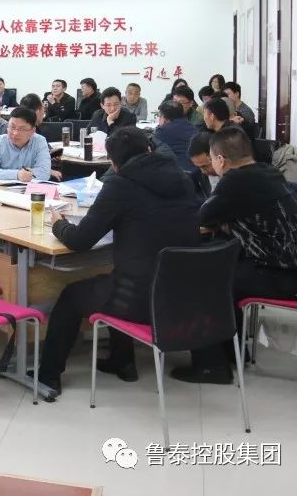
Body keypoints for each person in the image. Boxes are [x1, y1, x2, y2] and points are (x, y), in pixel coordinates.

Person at [37, 127, 200, 393]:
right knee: (116, 277)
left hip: (140, 298)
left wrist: (58, 224)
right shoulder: (182, 177)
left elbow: (80, 240)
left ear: (113, 163)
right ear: (149, 149)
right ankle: (121, 361)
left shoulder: (120, 184)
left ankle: (48, 376)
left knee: (72, 295)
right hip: (183, 293)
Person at [173, 127, 297, 384]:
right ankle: (233, 353)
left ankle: (212, 366)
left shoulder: (235, 181)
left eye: (210, 161)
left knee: (203, 281)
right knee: (224, 270)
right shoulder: (268, 171)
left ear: (220, 159)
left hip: (284, 274)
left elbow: (203, 216)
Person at [0, 107, 51, 182]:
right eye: (12, 127)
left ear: (33, 131)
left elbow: (44, 173)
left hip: (29, 188)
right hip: (2, 188)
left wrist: (3, 174)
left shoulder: (40, 141)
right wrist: (17, 175)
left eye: (22, 129)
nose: (15, 133)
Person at [153, 100, 197, 173]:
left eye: (160, 116)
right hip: (195, 170)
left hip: (176, 172)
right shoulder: (193, 127)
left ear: (164, 118)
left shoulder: (162, 131)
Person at [187, 132, 220, 199]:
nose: (203, 171)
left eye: (205, 166)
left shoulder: (236, 174)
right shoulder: (196, 177)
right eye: (198, 167)